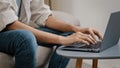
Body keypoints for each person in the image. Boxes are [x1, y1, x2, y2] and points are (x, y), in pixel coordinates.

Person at [0, 0, 103, 68]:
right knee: (26, 38)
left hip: (18, 29)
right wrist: (61, 40)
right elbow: (10, 24)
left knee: (70, 35)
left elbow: (42, 15)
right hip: (3, 31)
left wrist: (75, 29)